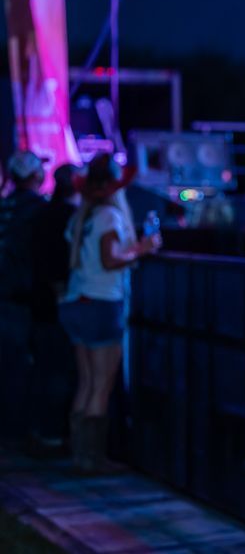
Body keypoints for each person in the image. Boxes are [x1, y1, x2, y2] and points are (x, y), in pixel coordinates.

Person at [58, 154, 160, 473]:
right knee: (101, 385)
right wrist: (143, 248)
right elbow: (110, 259)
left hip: (77, 300)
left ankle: (80, 455)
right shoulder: (108, 217)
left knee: (87, 382)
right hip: (102, 302)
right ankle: (92, 459)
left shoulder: (82, 216)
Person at [29, 164, 81, 452]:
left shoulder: (42, 214)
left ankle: (43, 430)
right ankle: (55, 433)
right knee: (61, 370)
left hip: (38, 302)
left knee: (44, 368)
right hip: (59, 303)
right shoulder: (70, 218)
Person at [0, 151, 47, 438]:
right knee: (19, 368)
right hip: (21, 301)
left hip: (8, 298)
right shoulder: (37, 210)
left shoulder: (5, 207)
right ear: (34, 176)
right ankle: (16, 432)